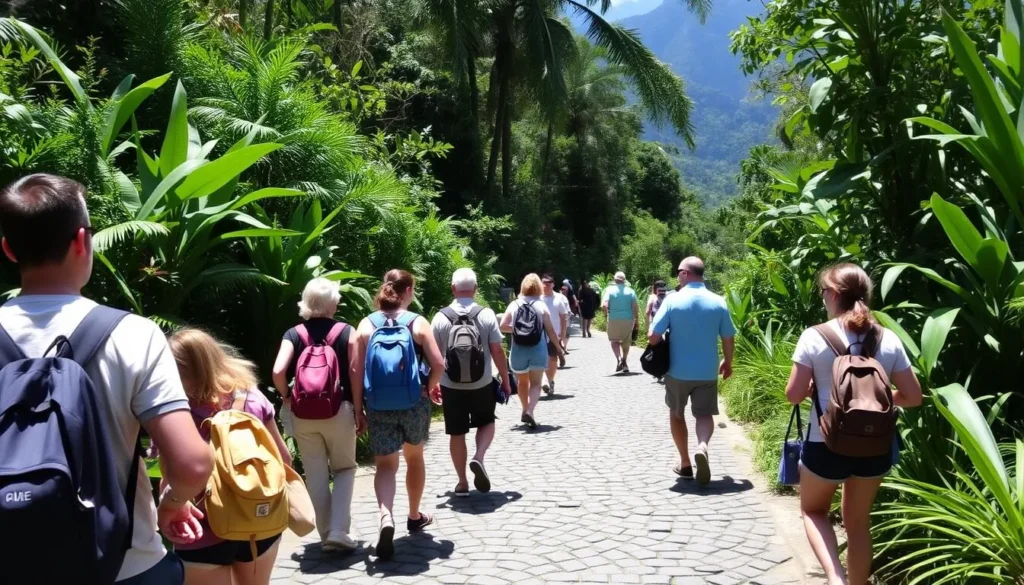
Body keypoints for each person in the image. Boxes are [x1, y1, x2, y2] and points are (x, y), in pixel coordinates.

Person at [0, 174, 213, 584]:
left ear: (9, 249)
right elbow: (191, 463)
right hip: (124, 565)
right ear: (82, 241)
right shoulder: (132, 334)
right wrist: (171, 505)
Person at [784, 263, 922, 585]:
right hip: (875, 445)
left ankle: (835, 578)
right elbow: (914, 396)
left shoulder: (814, 336)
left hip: (825, 442)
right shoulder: (888, 339)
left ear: (833, 294)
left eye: (823, 292)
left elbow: (792, 395)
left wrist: (815, 390)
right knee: (858, 522)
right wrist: (877, 398)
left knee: (813, 511)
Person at [168, 329, 291, 585]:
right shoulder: (252, 398)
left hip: (199, 528)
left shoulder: (173, 411)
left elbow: (171, 476)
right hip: (258, 520)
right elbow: (284, 460)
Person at [353, 270, 445, 560]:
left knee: (385, 466)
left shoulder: (365, 326)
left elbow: (355, 372)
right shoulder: (417, 322)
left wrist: (359, 409)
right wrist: (428, 388)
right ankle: (414, 515)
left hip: (378, 405)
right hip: (413, 403)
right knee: (414, 457)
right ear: (408, 291)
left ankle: (385, 516)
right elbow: (439, 363)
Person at [271, 278, 362, 552]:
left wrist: (287, 396)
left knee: (316, 473)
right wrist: (359, 410)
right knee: (345, 468)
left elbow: (277, 372)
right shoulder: (348, 332)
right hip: (339, 410)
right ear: (333, 302)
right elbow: (356, 374)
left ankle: (326, 535)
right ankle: (338, 531)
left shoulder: (293, 334)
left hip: (303, 414)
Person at [648, 257, 735, 485]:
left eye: (678, 272)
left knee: (677, 413)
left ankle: (685, 463)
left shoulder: (672, 300)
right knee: (704, 414)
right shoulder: (719, 302)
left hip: (677, 371)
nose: (677, 276)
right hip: (707, 371)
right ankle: (702, 446)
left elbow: (653, 337)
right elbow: (728, 336)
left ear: (686, 273)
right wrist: (728, 361)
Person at [430, 268, 511, 497]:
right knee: (487, 421)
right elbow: (496, 350)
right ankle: (479, 457)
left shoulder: (439, 317)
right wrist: (505, 379)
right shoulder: (485, 314)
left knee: (456, 432)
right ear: (475, 289)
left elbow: (434, 356)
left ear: (453, 288)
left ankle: (462, 483)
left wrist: (433, 383)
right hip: (482, 383)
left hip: (450, 384)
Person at [499, 273, 563, 429]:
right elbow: (550, 331)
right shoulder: (541, 306)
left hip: (518, 350)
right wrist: (559, 349)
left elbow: (502, 326)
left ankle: (523, 409)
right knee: (536, 383)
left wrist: (518, 329)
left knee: (522, 382)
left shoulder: (514, 305)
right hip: (537, 349)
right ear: (539, 288)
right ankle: (530, 410)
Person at [601, 271, 638, 373]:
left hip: (614, 318)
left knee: (614, 341)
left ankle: (619, 359)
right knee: (626, 341)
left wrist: (606, 314)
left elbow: (604, 305)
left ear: (615, 280)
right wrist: (636, 319)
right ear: (624, 280)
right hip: (628, 319)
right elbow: (635, 307)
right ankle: (625, 361)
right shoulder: (631, 291)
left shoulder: (609, 290)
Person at [540, 274, 570, 389]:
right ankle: (544, 380)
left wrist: (562, 334)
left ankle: (550, 380)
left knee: (552, 359)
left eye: (548, 283)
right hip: (539, 335)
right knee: (540, 358)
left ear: (553, 285)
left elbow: (563, 317)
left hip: (555, 335)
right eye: (544, 283)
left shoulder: (559, 299)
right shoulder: (537, 298)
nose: (546, 285)